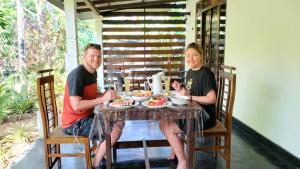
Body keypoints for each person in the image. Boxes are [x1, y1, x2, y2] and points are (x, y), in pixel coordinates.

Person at [61, 43, 124, 169]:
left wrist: (105, 95)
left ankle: (99, 152)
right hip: (74, 123)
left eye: (99, 56)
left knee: (119, 121)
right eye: (92, 56)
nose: (96, 59)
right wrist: (102, 99)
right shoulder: (77, 75)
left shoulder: (92, 72)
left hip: (87, 116)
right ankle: (94, 164)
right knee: (114, 131)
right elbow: (76, 105)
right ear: (84, 56)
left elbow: (90, 94)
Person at [159, 42, 217, 169]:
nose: (191, 58)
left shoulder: (206, 74)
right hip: (191, 112)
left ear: (201, 56)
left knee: (169, 128)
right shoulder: (191, 71)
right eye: (188, 55)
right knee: (163, 122)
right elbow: (189, 92)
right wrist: (180, 89)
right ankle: (176, 148)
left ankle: (183, 162)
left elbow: (211, 99)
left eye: (195, 55)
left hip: (204, 116)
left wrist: (189, 97)